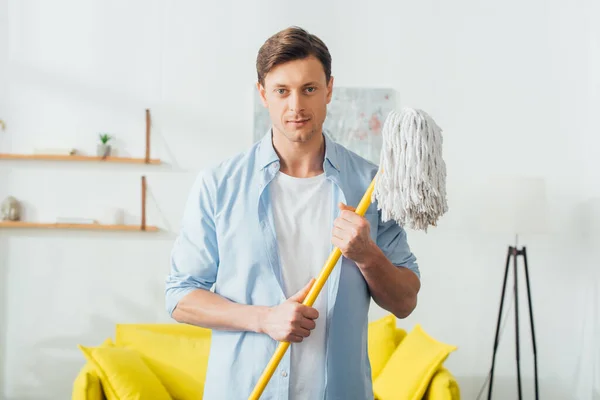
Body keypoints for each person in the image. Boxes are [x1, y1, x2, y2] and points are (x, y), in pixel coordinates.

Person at [165, 26, 421, 400]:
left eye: (309, 89)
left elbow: (405, 302)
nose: (296, 106)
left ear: (329, 89)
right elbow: (181, 296)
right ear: (262, 94)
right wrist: (264, 318)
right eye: (282, 91)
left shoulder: (371, 186)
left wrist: (368, 256)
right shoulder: (219, 184)